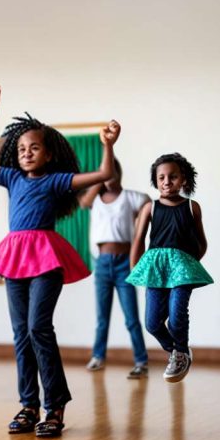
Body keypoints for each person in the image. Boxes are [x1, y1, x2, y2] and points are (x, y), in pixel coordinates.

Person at [0, 111, 121, 438]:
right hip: (15, 256)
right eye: (21, 148)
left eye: (34, 148)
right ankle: (28, 405)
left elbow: (105, 172)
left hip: (46, 256)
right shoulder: (11, 178)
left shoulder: (56, 180)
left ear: (49, 154)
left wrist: (107, 144)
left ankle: (55, 405)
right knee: (21, 332)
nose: (26, 153)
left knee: (38, 327)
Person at [127, 153, 212, 383]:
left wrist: (189, 265)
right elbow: (138, 240)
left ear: (183, 179)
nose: (167, 181)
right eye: (161, 177)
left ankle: (181, 353)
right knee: (152, 322)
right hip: (156, 270)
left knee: (176, 315)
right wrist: (136, 269)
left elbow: (201, 243)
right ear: (156, 181)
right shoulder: (150, 208)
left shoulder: (193, 207)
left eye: (173, 176)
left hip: (182, 271)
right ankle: (176, 350)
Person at [78, 159, 150, 378]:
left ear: (118, 174)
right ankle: (98, 356)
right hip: (101, 264)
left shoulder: (130, 197)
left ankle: (141, 360)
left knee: (131, 316)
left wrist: (140, 228)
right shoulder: (95, 200)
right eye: (104, 175)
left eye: (111, 174)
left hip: (124, 264)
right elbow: (83, 203)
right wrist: (99, 179)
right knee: (102, 317)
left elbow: (148, 203)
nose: (108, 179)